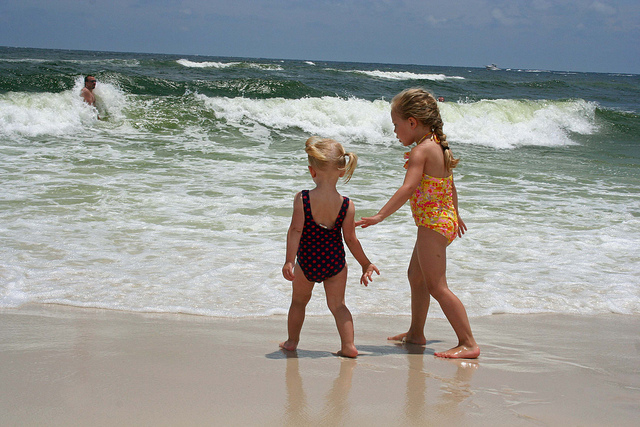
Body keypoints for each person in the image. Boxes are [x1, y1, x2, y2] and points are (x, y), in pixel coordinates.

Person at [357, 88, 479, 359]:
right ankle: (416, 333)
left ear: (412, 122)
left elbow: (408, 188)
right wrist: (455, 215)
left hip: (433, 225)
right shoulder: (438, 145)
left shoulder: (421, 152)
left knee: (437, 285)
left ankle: (469, 343)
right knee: (416, 276)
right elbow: (450, 185)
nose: (395, 132)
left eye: (396, 125)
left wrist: (380, 215)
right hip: (440, 221)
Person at [281, 137, 380, 358]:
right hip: (335, 263)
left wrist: (289, 260)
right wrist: (366, 263)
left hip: (307, 262)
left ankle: (291, 342)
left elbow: (296, 230)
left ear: (312, 171)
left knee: (298, 302)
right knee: (338, 306)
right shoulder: (347, 205)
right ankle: (348, 345)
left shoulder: (303, 199)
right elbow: (351, 239)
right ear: (342, 171)